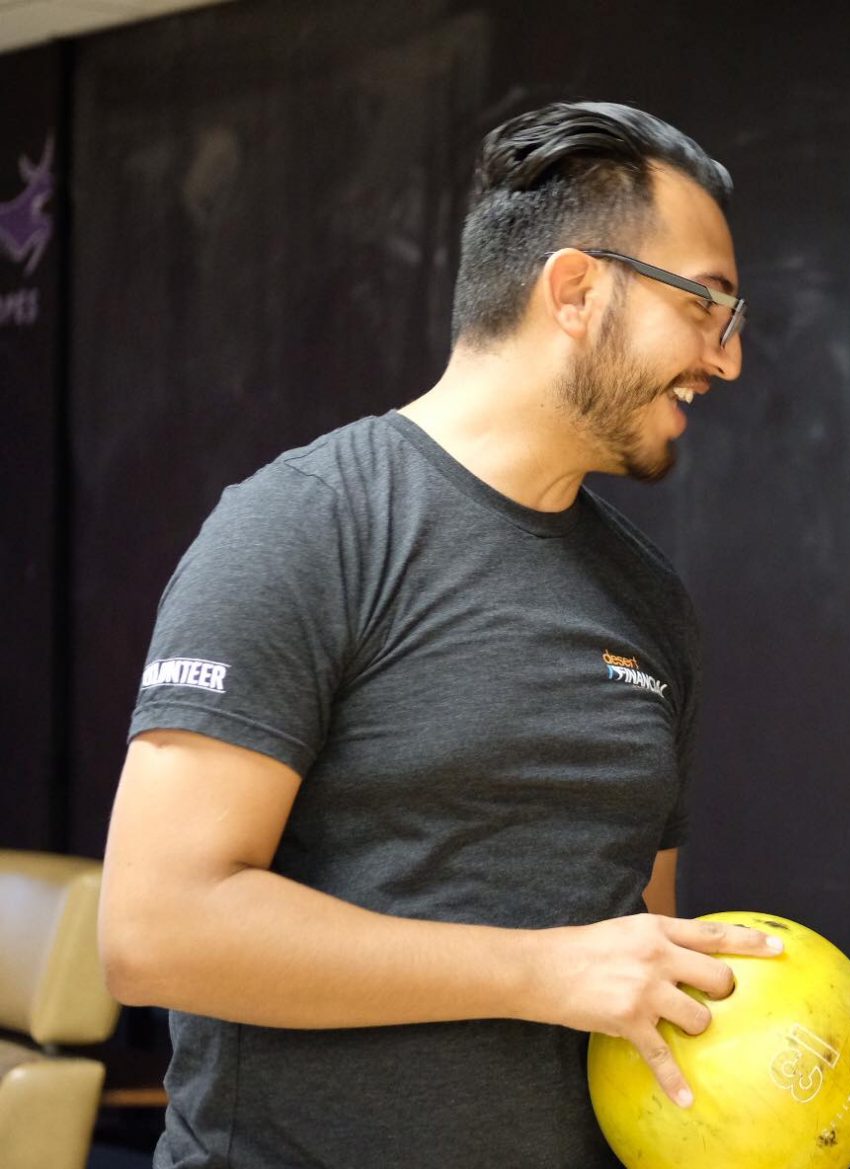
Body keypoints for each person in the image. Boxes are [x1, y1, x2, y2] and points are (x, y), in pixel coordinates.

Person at [99, 101, 780, 1169]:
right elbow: (153, 930)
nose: (725, 359)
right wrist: (537, 970)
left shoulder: (650, 604)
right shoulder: (309, 523)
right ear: (576, 288)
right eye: (707, 305)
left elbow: (633, 964)